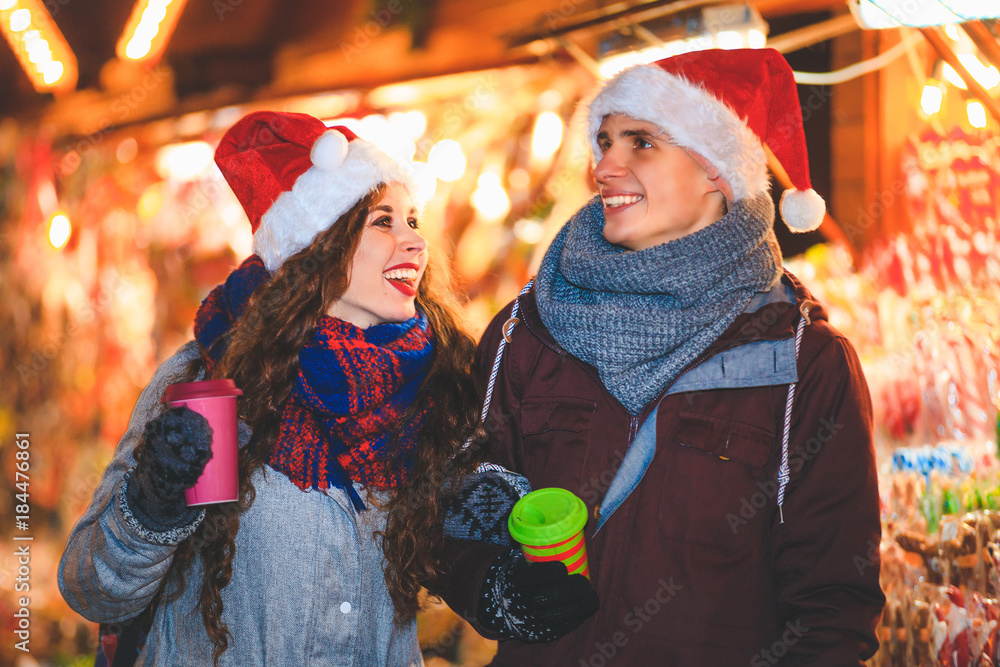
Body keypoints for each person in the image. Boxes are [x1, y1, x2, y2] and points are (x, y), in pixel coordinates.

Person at [440, 48, 885, 665]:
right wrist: (492, 589)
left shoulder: (802, 362)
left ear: (717, 172)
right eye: (604, 142)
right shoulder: (528, 332)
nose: (606, 166)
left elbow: (834, 607)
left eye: (641, 143)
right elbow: (453, 505)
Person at [59, 110, 481, 666]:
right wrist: (154, 506)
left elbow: (463, 566)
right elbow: (91, 588)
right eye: (383, 221)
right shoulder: (212, 379)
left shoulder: (432, 391)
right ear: (318, 243)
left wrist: (504, 576)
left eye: (414, 221)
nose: (415, 244)